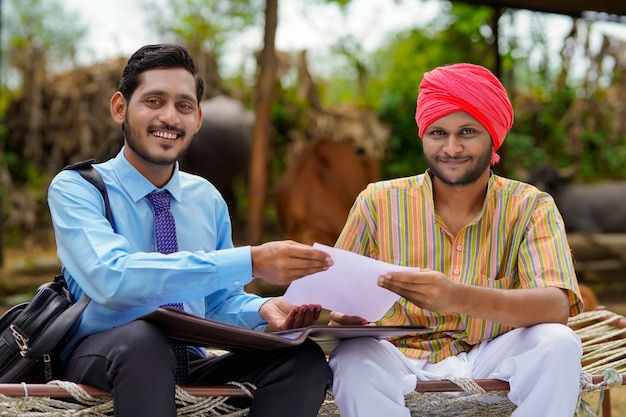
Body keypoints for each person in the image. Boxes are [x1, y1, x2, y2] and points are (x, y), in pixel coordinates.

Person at [47, 43, 333, 417]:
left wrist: (264, 308)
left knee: (302, 356)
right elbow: (110, 278)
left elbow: (217, 303)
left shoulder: (207, 198)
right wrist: (251, 260)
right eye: (153, 101)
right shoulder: (78, 188)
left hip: (188, 361)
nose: (170, 117)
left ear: (198, 118)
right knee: (144, 340)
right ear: (120, 108)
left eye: (183, 106)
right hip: (102, 357)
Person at [327, 63, 584, 417]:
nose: (451, 147)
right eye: (437, 132)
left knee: (558, 343)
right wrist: (341, 316)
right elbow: (335, 296)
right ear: (423, 135)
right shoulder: (377, 202)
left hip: (492, 352)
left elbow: (556, 306)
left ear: (493, 136)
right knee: (352, 357)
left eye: (467, 131)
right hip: (398, 355)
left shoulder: (530, 205)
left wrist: (456, 296)